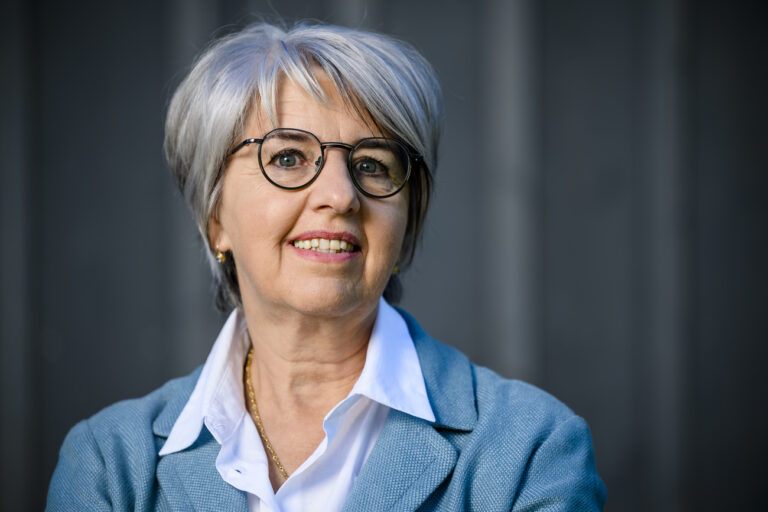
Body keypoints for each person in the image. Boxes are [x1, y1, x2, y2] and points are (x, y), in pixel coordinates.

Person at [46, 22, 606, 511]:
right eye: (287, 157)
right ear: (214, 215)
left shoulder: (531, 449)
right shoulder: (109, 466)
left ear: (406, 222)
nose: (340, 195)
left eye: (372, 164)